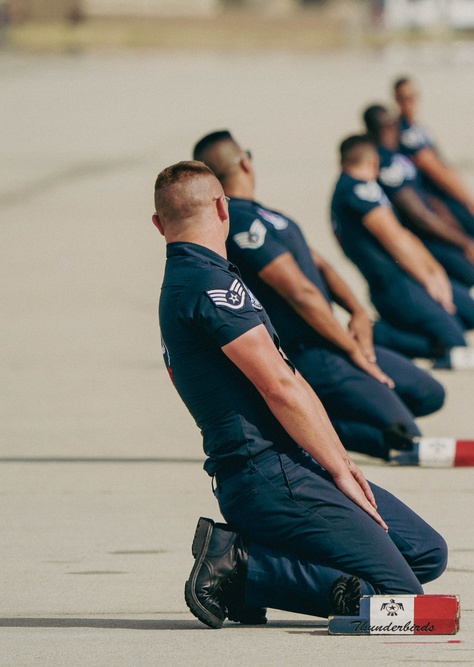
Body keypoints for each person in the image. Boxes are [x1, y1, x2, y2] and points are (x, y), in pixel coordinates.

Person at [153, 161, 447, 628]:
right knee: (397, 599)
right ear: (221, 207)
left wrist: (338, 464)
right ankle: (243, 569)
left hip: (286, 464)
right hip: (269, 473)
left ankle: (261, 565)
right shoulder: (209, 287)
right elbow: (281, 386)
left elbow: (286, 381)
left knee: (426, 553)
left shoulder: (194, 281)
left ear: (158, 224)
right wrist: (340, 469)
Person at [192, 130, 445, 461]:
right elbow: (299, 291)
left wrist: (357, 313)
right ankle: (292, 423)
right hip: (310, 352)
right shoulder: (238, 220)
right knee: (405, 437)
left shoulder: (268, 215)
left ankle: (320, 408)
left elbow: (321, 265)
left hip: (333, 340)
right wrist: (351, 348)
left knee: (429, 394)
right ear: (245, 163)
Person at [330, 134, 474, 363]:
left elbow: (404, 236)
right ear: (373, 162)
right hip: (394, 285)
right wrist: (429, 280)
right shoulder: (359, 191)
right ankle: (378, 335)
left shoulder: (352, 187)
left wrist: (436, 272)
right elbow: (395, 240)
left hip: (402, 278)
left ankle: (399, 328)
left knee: (472, 314)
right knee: (454, 344)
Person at [362, 104, 474, 288]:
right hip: (426, 238)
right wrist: (463, 242)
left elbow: (426, 196)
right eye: (390, 125)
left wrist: (454, 225)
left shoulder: (396, 155)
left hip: (437, 225)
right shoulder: (385, 164)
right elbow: (420, 216)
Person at [393, 76, 474, 248]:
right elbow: (435, 170)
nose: (410, 102)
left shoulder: (419, 129)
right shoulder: (406, 133)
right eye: (405, 98)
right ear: (397, 100)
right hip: (437, 196)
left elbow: (443, 164)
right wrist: (469, 200)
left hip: (448, 192)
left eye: (413, 97)